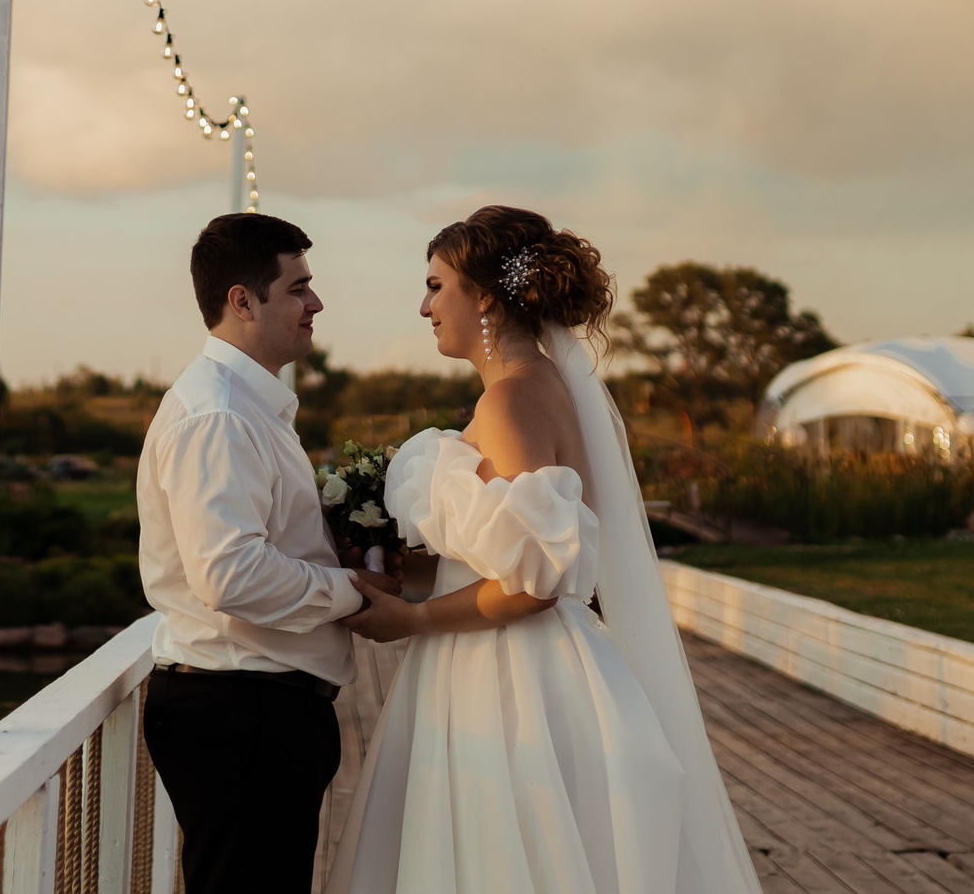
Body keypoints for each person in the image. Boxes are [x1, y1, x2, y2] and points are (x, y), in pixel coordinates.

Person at [327, 205, 763, 894]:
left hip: (503, 676)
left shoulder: (511, 402)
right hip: (504, 655)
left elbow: (534, 581)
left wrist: (412, 620)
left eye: (437, 286)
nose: (424, 306)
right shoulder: (536, 391)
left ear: (487, 297)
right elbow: (511, 549)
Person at [138, 212, 382, 894]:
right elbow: (230, 574)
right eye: (298, 287)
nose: (316, 303)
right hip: (241, 713)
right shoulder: (218, 415)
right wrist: (354, 593)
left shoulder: (247, 407)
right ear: (242, 301)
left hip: (256, 708)